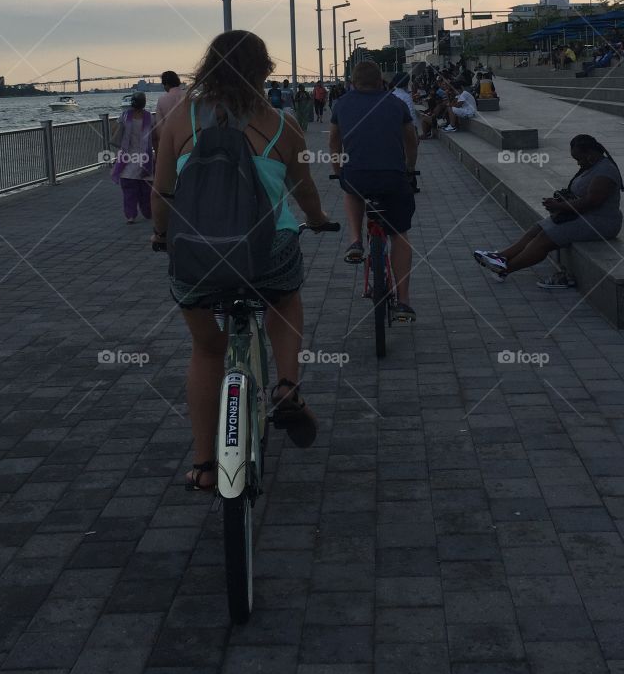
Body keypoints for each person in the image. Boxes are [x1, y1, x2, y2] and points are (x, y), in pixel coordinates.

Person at [150, 31, 333, 492]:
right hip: (267, 250)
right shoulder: (282, 124)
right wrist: (318, 219)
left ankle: (205, 465)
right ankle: (287, 385)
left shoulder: (179, 120)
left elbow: (163, 191)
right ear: (264, 71)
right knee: (284, 299)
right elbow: (304, 190)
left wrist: (160, 235)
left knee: (207, 349)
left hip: (197, 256)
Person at [329, 59, 418, 321]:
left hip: (357, 176)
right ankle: (403, 302)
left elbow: (334, 142)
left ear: (353, 83)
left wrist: (337, 171)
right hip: (393, 177)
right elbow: (411, 142)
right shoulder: (397, 104)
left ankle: (355, 240)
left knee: (350, 189)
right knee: (399, 235)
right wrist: (409, 169)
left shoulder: (341, 104)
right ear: (381, 81)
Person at [474, 134, 624, 290]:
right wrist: (560, 203)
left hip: (601, 222)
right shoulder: (591, 166)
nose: (578, 163)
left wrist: (560, 206)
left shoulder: (605, 171)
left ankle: (505, 269)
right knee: (537, 228)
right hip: (583, 216)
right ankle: (501, 257)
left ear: (591, 154)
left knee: (545, 238)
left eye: (579, 158)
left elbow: (591, 202)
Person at [110, 93, 154, 223]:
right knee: (146, 191)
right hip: (144, 160)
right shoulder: (150, 117)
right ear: (144, 103)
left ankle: (130, 216)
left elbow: (114, 131)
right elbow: (156, 135)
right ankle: (147, 213)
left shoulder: (124, 116)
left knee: (129, 191)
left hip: (127, 159)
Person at [152, 72, 187, 150]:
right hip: (189, 139)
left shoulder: (162, 100)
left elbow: (160, 127)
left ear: (166, 84)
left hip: (171, 141)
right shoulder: (189, 96)